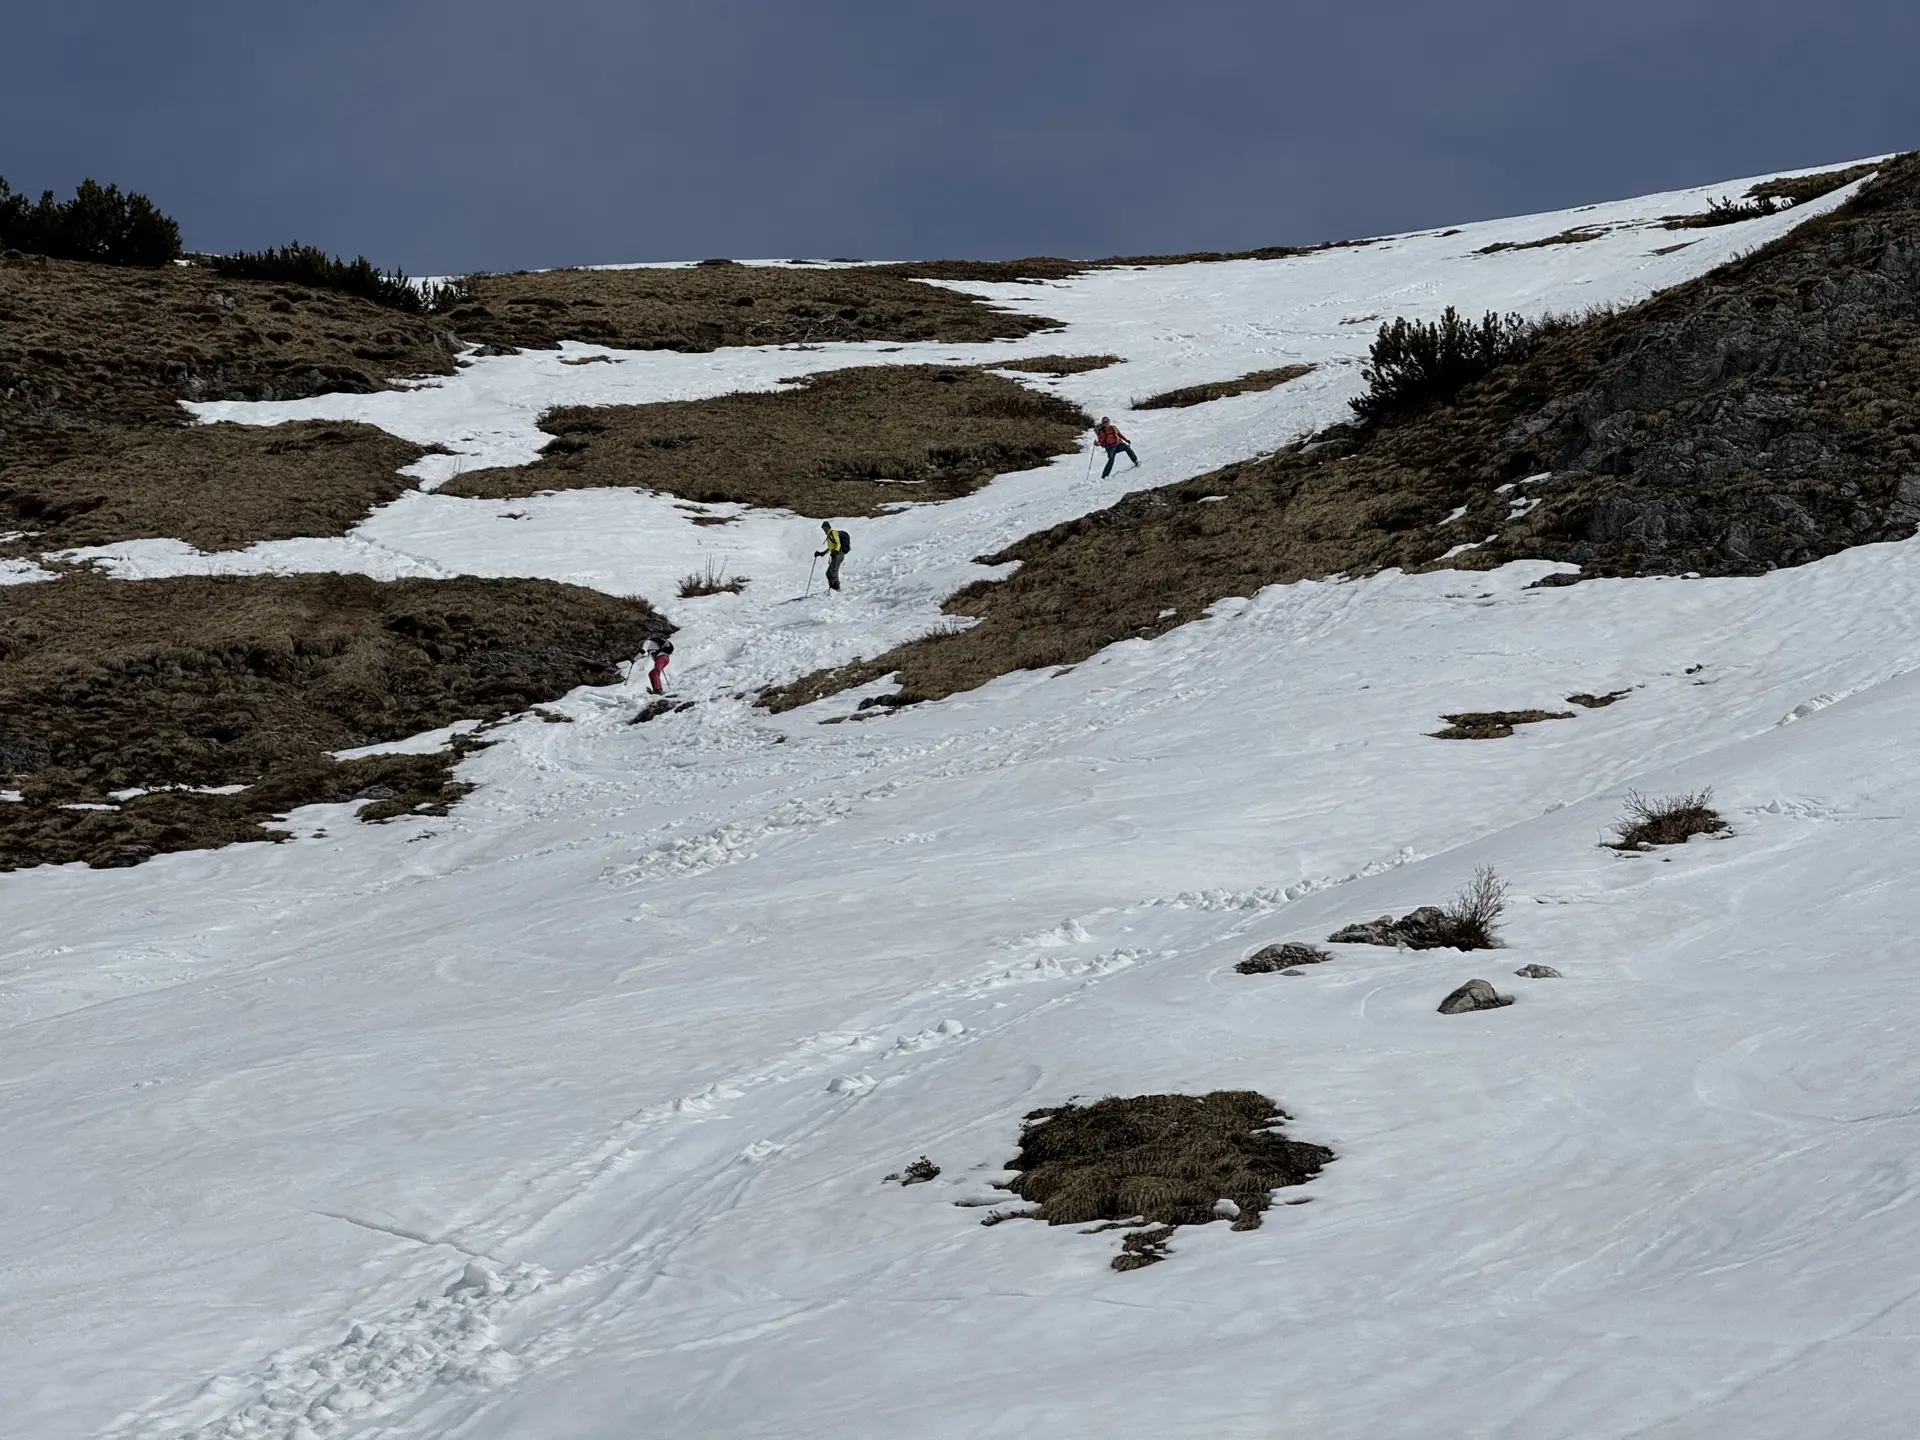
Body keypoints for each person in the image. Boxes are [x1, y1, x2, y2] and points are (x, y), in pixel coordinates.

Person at [815, 520, 851, 591]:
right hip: (836, 554)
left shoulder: (833, 533)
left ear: (828, 527)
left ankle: (836, 588)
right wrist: (821, 553)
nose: (824, 530)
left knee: (832, 572)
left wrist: (836, 551)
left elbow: (838, 543)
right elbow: (830, 548)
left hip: (838, 554)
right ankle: (833, 587)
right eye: (823, 528)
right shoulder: (829, 535)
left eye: (825, 528)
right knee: (830, 572)